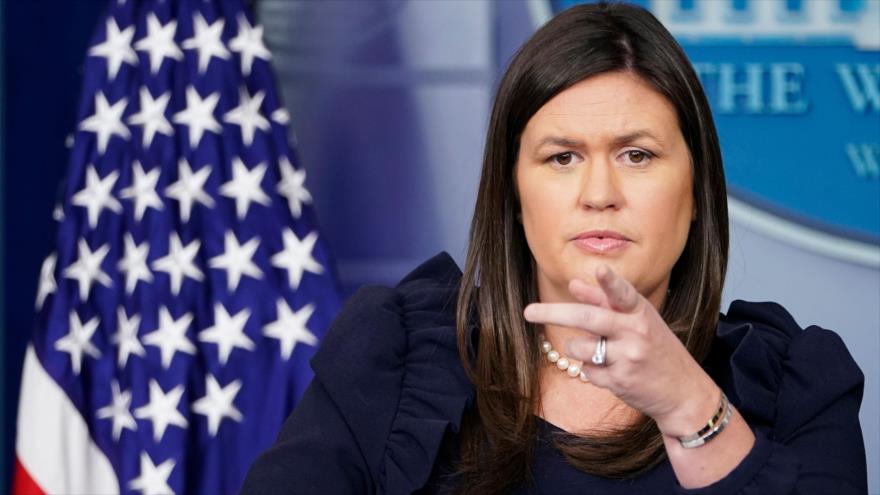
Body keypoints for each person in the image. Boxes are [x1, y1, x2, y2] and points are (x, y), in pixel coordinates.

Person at [241, 2, 868, 494]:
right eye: (562, 157)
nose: (599, 192)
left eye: (637, 155)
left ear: (697, 189)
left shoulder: (796, 386)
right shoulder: (395, 356)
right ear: (514, 193)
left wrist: (690, 406)